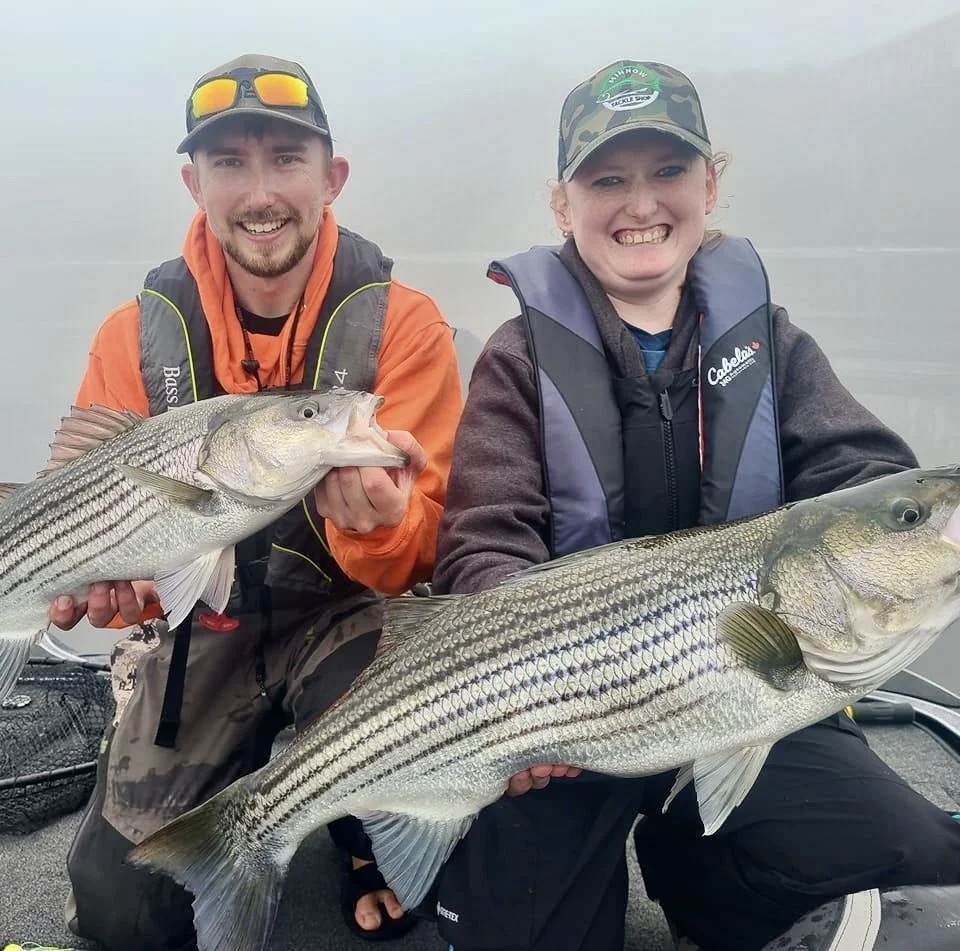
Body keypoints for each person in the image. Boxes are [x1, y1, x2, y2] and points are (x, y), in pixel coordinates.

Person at [429, 60, 960, 950]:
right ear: (563, 204)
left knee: (912, 860)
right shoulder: (521, 356)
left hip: (760, 693)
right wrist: (524, 700)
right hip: (575, 714)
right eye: (608, 179)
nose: (641, 203)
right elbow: (484, 541)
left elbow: (864, 472)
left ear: (711, 183)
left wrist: (907, 539)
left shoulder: (774, 343)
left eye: (669, 172)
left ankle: (695, 871)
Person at [50, 53, 463, 949]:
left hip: (352, 623)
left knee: (443, 865)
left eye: (285, 158)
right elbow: (115, 549)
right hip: (205, 636)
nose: (260, 190)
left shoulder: (406, 327)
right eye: (230, 163)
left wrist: (383, 531)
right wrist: (116, 588)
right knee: (121, 910)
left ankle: (362, 830)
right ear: (194, 183)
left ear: (331, 176)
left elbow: (436, 552)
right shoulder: (134, 334)